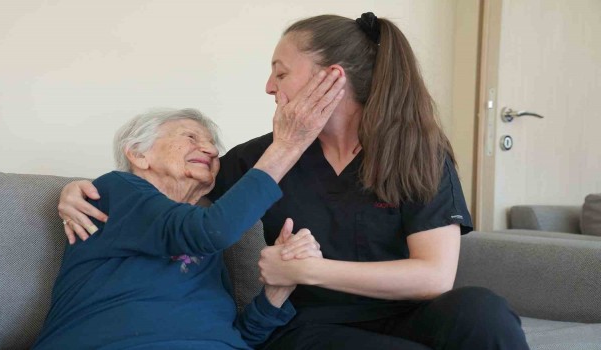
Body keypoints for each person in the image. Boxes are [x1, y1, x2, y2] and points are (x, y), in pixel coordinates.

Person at [57, 13, 529, 350]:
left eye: (280, 72)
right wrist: (77, 188)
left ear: (332, 78)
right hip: (311, 327)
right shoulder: (261, 158)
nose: (268, 86)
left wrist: (303, 271)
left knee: (483, 312)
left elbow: (434, 277)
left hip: (404, 310)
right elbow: (182, 204)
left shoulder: (417, 150)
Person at [34, 68, 346, 350]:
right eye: (191, 138)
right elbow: (213, 230)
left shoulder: (202, 232)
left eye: (213, 145)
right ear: (139, 155)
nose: (210, 150)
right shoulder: (116, 190)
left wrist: (277, 290)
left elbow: (238, 336)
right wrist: (287, 145)